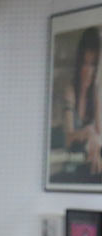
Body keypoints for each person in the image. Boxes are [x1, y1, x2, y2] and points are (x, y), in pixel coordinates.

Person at [54, 26, 102, 179]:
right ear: (79, 63)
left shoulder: (95, 93)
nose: (88, 71)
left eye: (93, 65)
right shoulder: (70, 91)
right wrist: (88, 132)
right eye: (85, 64)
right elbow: (68, 138)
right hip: (71, 164)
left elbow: (100, 132)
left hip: (88, 161)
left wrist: (94, 137)